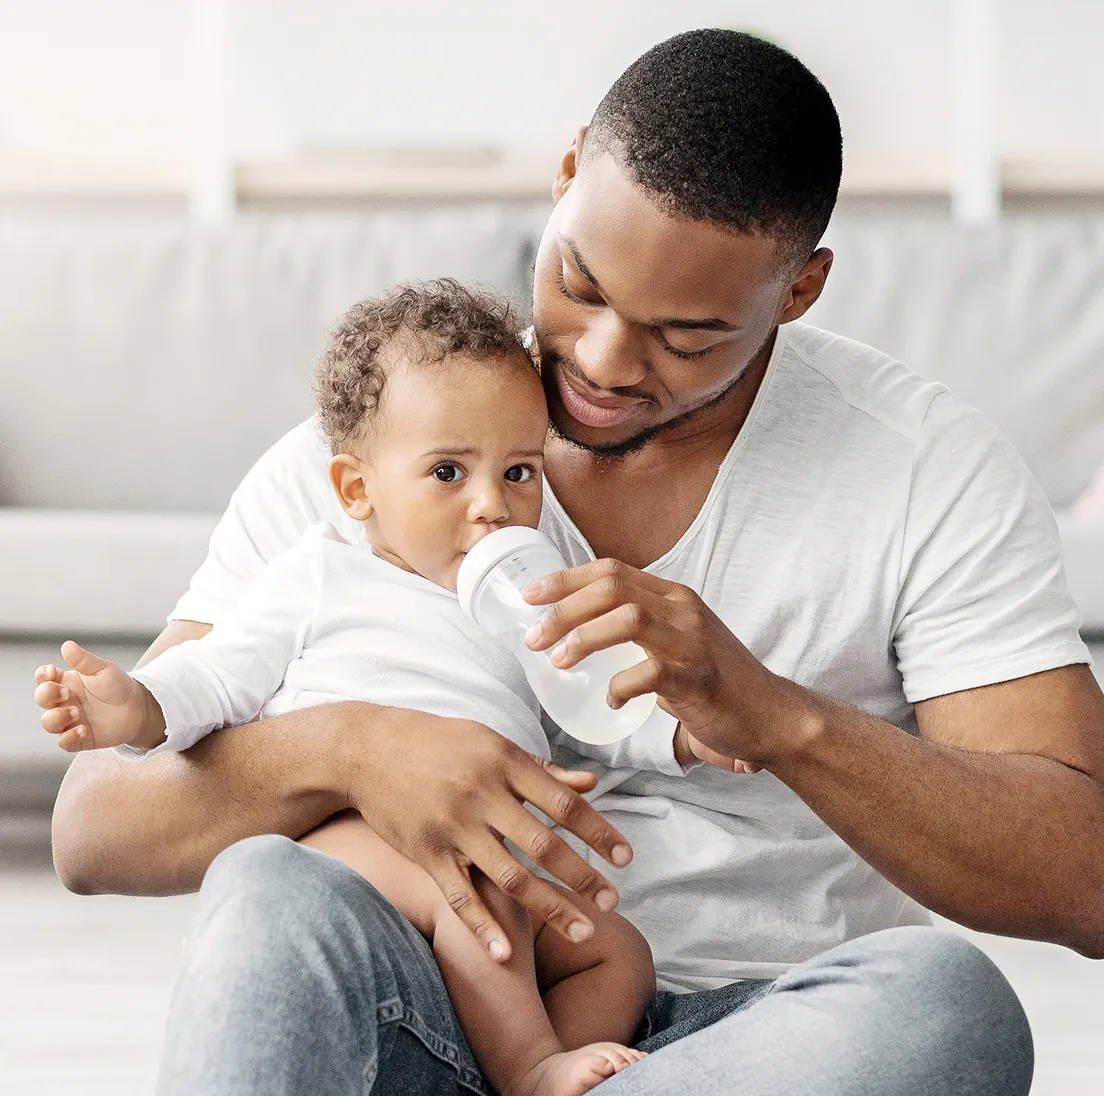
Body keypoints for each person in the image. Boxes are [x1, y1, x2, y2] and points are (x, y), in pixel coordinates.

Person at [49, 27, 1104, 1096]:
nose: (601, 362)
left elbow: (1087, 877)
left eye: (684, 337)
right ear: (566, 174)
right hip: (430, 1004)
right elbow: (96, 827)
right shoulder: (380, 454)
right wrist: (353, 747)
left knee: (944, 1007)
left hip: (766, 1033)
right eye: (581, 285)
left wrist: (780, 718)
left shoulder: (925, 469)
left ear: (799, 289)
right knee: (268, 891)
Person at [36, 282, 656, 1096]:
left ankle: (531, 1066)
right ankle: (532, 1068)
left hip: (495, 839)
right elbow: (219, 674)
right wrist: (138, 707)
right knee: (482, 899)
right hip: (360, 837)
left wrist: (683, 732)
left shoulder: (525, 591)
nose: (491, 506)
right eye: (446, 472)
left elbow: (589, 697)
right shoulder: (319, 575)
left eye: (518, 471)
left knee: (619, 954)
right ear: (359, 490)